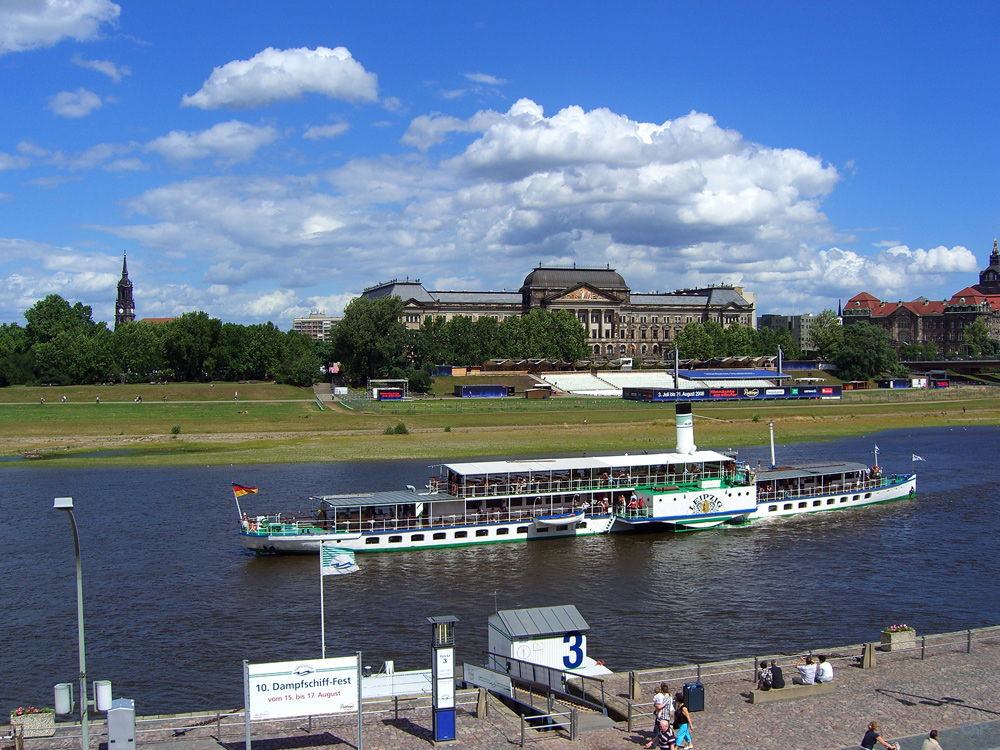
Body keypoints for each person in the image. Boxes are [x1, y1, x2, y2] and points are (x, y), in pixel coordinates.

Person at [645, 682, 673, 748]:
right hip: (662, 716)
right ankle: (656, 743)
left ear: (662, 691)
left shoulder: (667, 697)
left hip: (663, 716)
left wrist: (655, 705)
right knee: (658, 730)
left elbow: (660, 706)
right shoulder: (667, 696)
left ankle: (656, 744)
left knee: (659, 730)